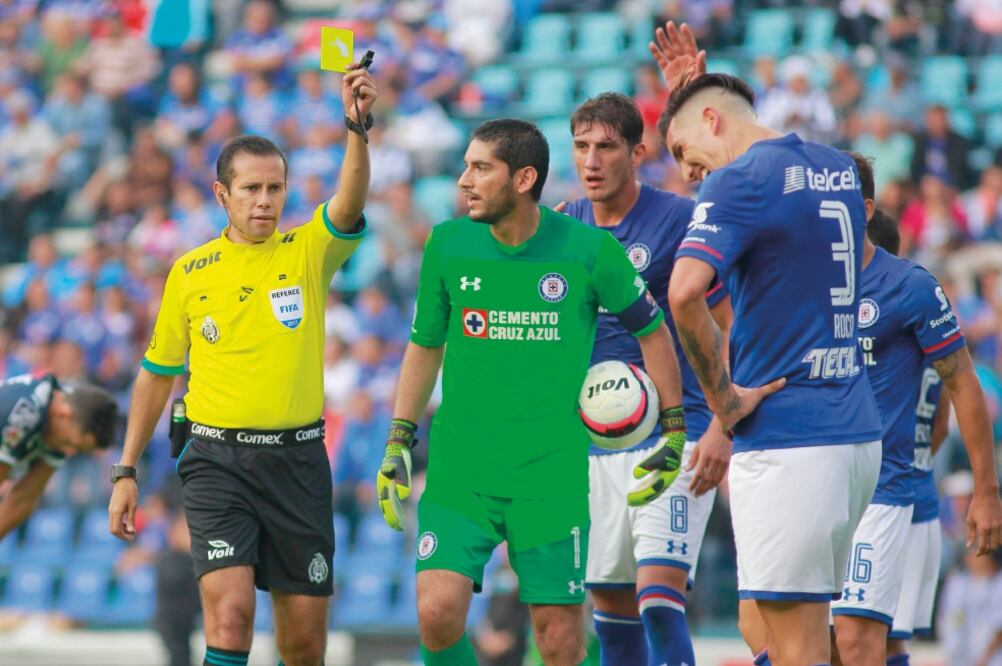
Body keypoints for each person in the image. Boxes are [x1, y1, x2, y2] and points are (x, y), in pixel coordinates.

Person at [375, 119, 693, 666]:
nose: (463, 181)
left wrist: (673, 425)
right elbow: (424, 346)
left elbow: (653, 330)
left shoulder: (589, 250)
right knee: (436, 611)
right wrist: (399, 438)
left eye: (480, 169)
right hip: (463, 472)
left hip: (551, 479)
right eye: (465, 166)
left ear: (524, 178)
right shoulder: (448, 243)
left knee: (559, 641)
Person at [107, 61, 378, 666]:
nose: (264, 201)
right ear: (222, 194)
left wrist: (357, 129)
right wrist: (124, 470)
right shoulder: (189, 271)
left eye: (275, 188)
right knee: (229, 618)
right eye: (251, 189)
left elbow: (352, 198)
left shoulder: (309, 251)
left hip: (300, 463)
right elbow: (156, 375)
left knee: (303, 644)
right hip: (216, 460)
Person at [664, 71, 882, 666]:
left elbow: (685, 295)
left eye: (683, 151)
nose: (685, 172)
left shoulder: (737, 182)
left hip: (790, 439)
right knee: (760, 620)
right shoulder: (835, 165)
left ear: (712, 121)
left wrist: (723, 404)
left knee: (797, 649)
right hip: (854, 430)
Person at [560, 92, 732, 666]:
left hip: (673, 433)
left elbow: (728, 326)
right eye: (581, 146)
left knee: (659, 599)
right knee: (611, 615)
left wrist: (722, 427)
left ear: (637, 153)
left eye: (606, 147)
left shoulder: (680, 220)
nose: (591, 161)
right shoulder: (560, 229)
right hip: (591, 443)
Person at [0, 373, 118, 539]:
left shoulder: (64, 415)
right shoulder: (25, 412)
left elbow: (24, 497)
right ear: (64, 415)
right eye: (72, 444)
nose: (70, 452)